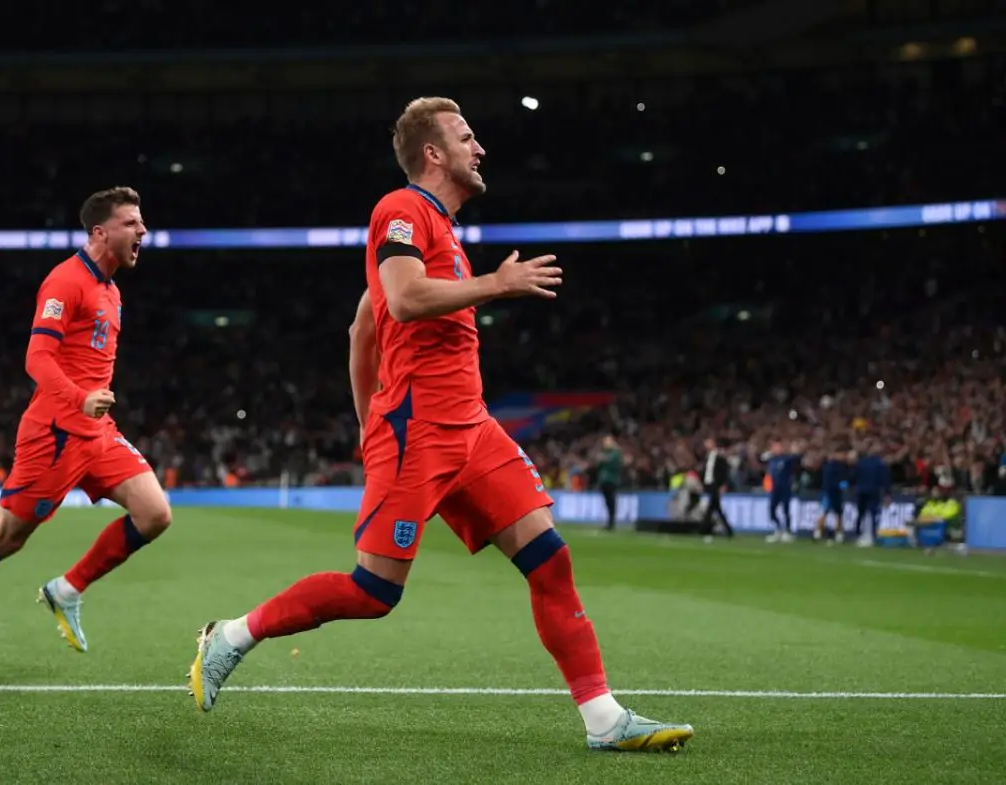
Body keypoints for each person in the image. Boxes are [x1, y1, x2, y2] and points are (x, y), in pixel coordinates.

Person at [188, 97, 693, 753]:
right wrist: (495, 287)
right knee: (373, 591)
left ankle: (604, 718)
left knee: (551, 560)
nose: (479, 149)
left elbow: (363, 322)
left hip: (473, 431)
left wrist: (368, 407)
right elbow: (399, 299)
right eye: (466, 136)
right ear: (434, 153)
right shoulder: (398, 211)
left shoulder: (442, 229)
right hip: (417, 433)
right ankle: (230, 635)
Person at [0, 187, 172, 674]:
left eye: (142, 222)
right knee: (7, 536)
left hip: (97, 433)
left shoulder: (112, 291)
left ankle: (66, 589)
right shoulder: (65, 282)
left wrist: (92, 406)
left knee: (154, 514)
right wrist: (81, 399)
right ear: (100, 232)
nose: (143, 231)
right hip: (55, 435)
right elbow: (36, 358)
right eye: (133, 223)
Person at [699, 438, 733, 539]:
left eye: (708, 443)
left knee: (710, 508)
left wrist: (723, 484)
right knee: (716, 508)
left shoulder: (719, 457)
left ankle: (704, 530)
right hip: (709, 484)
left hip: (715, 484)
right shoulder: (706, 457)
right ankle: (728, 531)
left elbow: (724, 471)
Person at [595, 436, 623, 530]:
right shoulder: (606, 453)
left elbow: (609, 461)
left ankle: (611, 522)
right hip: (604, 480)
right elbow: (599, 464)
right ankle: (609, 522)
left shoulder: (615, 453)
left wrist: (603, 458)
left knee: (611, 501)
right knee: (607, 502)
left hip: (611, 480)